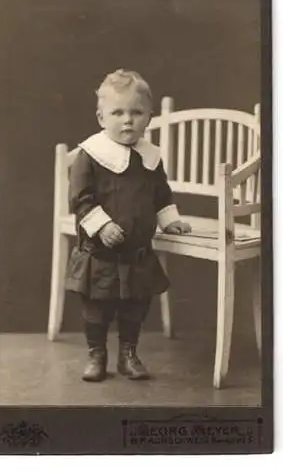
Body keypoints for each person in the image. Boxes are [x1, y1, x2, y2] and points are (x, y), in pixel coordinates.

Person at [65, 69, 191, 382]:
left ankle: (128, 353)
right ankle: (97, 354)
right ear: (100, 117)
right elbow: (81, 199)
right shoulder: (90, 155)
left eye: (136, 112)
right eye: (117, 112)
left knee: (135, 307)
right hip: (101, 252)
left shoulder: (150, 157)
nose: (127, 120)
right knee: (96, 309)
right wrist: (102, 226)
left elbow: (161, 194)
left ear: (148, 117)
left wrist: (170, 220)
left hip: (137, 251)